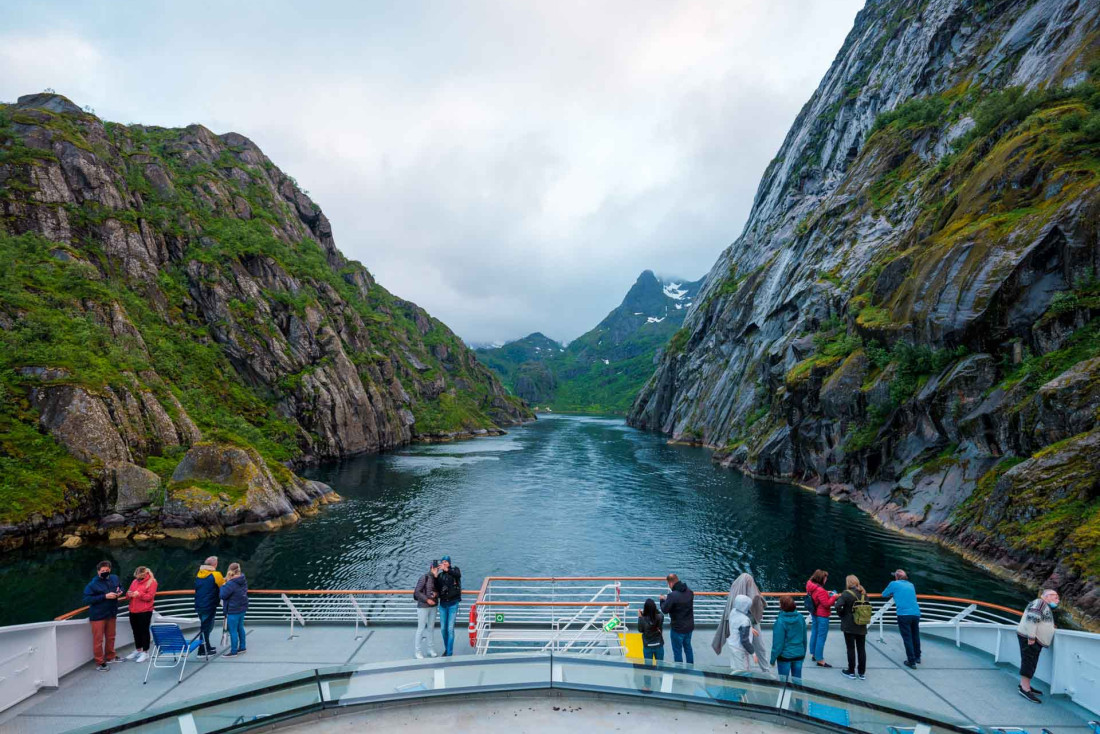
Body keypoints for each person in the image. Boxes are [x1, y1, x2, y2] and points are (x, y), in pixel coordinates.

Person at [1016, 589, 1059, 704]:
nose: (1057, 600)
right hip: (1030, 639)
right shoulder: (1040, 603)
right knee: (1028, 661)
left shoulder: (1043, 605)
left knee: (1031, 661)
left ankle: (1025, 685)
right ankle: (1024, 689)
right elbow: (1032, 619)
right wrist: (1031, 636)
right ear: (1047, 596)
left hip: (1034, 640)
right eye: (1055, 597)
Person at [84, 560, 125, 671]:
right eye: (102, 571)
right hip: (98, 615)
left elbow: (121, 587)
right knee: (98, 640)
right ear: (98, 571)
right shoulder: (92, 584)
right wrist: (104, 596)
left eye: (107, 570)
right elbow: (87, 599)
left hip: (111, 613)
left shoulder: (114, 578)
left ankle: (111, 656)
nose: (105, 572)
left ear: (110, 570)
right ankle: (100, 662)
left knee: (111, 636)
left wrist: (120, 591)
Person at [882, 569, 921, 668]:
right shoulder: (911, 585)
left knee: (907, 638)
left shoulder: (894, 584)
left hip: (904, 614)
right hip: (916, 613)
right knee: (915, 635)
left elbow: (884, 594)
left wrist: (893, 593)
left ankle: (911, 661)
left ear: (896, 577)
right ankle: (917, 657)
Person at [834, 575, 871, 680]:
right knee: (861, 649)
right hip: (861, 624)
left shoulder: (846, 594)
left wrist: (842, 614)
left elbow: (837, 606)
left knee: (850, 649)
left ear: (848, 583)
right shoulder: (864, 593)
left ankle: (851, 672)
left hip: (849, 625)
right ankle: (862, 673)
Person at [770, 595, 808, 681]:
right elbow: (804, 638)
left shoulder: (780, 622)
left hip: (785, 657)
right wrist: (803, 653)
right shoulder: (801, 618)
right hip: (799, 654)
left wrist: (773, 659)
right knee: (797, 682)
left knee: (784, 683)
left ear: (782, 606)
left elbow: (778, 644)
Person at [806, 569, 839, 668]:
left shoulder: (810, 585)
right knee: (821, 637)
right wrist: (834, 597)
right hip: (822, 616)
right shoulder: (820, 590)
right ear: (821, 579)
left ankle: (813, 654)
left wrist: (826, 593)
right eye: (825, 578)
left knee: (814, 633)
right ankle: (820, 659)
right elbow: (827, 604)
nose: (826, 580)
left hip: (814, 613)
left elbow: (817, 596)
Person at [660, 573, 695, 664]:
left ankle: (680, 669)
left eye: (668, 584)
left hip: (678, 628)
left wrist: (662, 600)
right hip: (689, 627)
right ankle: (690, 667)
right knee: (688, 648)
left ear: (671, 583)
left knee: (677, 651)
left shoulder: (672, 596)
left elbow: (665, 610)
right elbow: (680, 601)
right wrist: (668, 600)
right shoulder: (689, 592)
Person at [194, 556, 225, 656]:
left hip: (199, 604)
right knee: (206, 628)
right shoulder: (216, 574)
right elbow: (224, 586)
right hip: (210, 605)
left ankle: (207, 646)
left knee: (205, 627)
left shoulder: (199, 574)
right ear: (214, 564)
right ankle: (202, 651)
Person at [125, 566, 157, 663]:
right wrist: (129, 594)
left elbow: (150, 597)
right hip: (133, 610)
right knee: (135, 631)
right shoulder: (134, 582)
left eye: (139, 576)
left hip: (145, 611)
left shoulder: (152, 582)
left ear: (144, 574)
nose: (137, 578)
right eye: (137, 576)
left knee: (144, 631)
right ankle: (138, 649)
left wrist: (139, 594)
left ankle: (145, 652)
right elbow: (128, 594)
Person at [219, 562, 248, 657]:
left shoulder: (230, 583)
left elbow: (223, 595)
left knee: (233, 630)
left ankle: (234, 651)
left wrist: (223, 585)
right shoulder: (242, 579)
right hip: (242, 607)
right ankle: (242, 647)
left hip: (233, 609)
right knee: (240, 628)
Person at [413, 560, 440, 659]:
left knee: (431, 628)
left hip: (433, 607)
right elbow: (417, 592)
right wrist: (427, 600)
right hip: (423, 607)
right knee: (420, 629)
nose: (437, 571)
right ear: (432, 568)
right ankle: (417, 651)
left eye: (438, 569)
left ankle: (430, 649)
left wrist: (436, 594)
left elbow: (439, 592)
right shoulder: (424, 577)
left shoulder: (437, 579)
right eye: (436, 569)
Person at [436, 556, 462, 656]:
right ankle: (447, 649)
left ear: (449, 563)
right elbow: (436, 588)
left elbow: (458, 575)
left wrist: (447, 570)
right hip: (443, 605)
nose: (444, 563)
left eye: (446, 561)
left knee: (450, 629)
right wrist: (435, 574)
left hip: (453, 604)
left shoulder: (455, 570)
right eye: (442, 562)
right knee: (443, 629)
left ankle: (449, 653)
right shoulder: (440, 575)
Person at [726, 595, 758, 674]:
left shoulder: (733, 611)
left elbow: (737, 625)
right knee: (743, 672)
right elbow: (744, 641)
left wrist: (750, 629)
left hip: (732, 645)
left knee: (735, 668)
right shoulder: (745, 620)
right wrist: (753, 653)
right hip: (740, 650)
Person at [636, 598, 665, 663]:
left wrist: (640, 617)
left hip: (648, 645)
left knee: (648, 666)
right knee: (660, 665)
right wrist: (654, 609)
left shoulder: (642, 619)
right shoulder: (660, 617)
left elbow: (640, 630)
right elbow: (660, 614)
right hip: (658, 644)